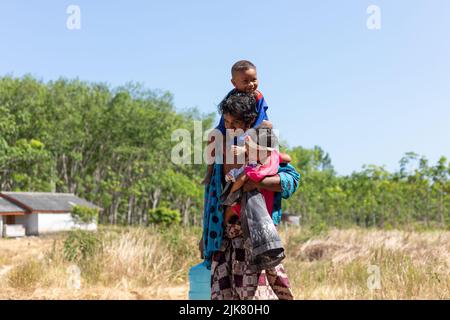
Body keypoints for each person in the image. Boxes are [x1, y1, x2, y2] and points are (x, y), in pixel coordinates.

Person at [201, 93, 300, 300]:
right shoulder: (220, 153)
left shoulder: (262, 148)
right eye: (226, 122)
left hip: (254, 239)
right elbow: (211, 198)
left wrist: (258, 182)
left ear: (248, 123)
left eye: (235, 122)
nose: (229, 127)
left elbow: (292, 180)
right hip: (222, 239)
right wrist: (205, 234)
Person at [201, 60, 272, 185]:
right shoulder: (231, 97)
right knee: (213, 135)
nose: (251, 84)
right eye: (245, 81)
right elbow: (225, 120)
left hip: (252, 130)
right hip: (232, 130)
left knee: (267, 125)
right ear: (234, 83)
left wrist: (246, 141)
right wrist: (222, 133)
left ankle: (259, 164)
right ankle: (209, 171)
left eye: (254, 80)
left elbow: (261, 121)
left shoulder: (258, 97)